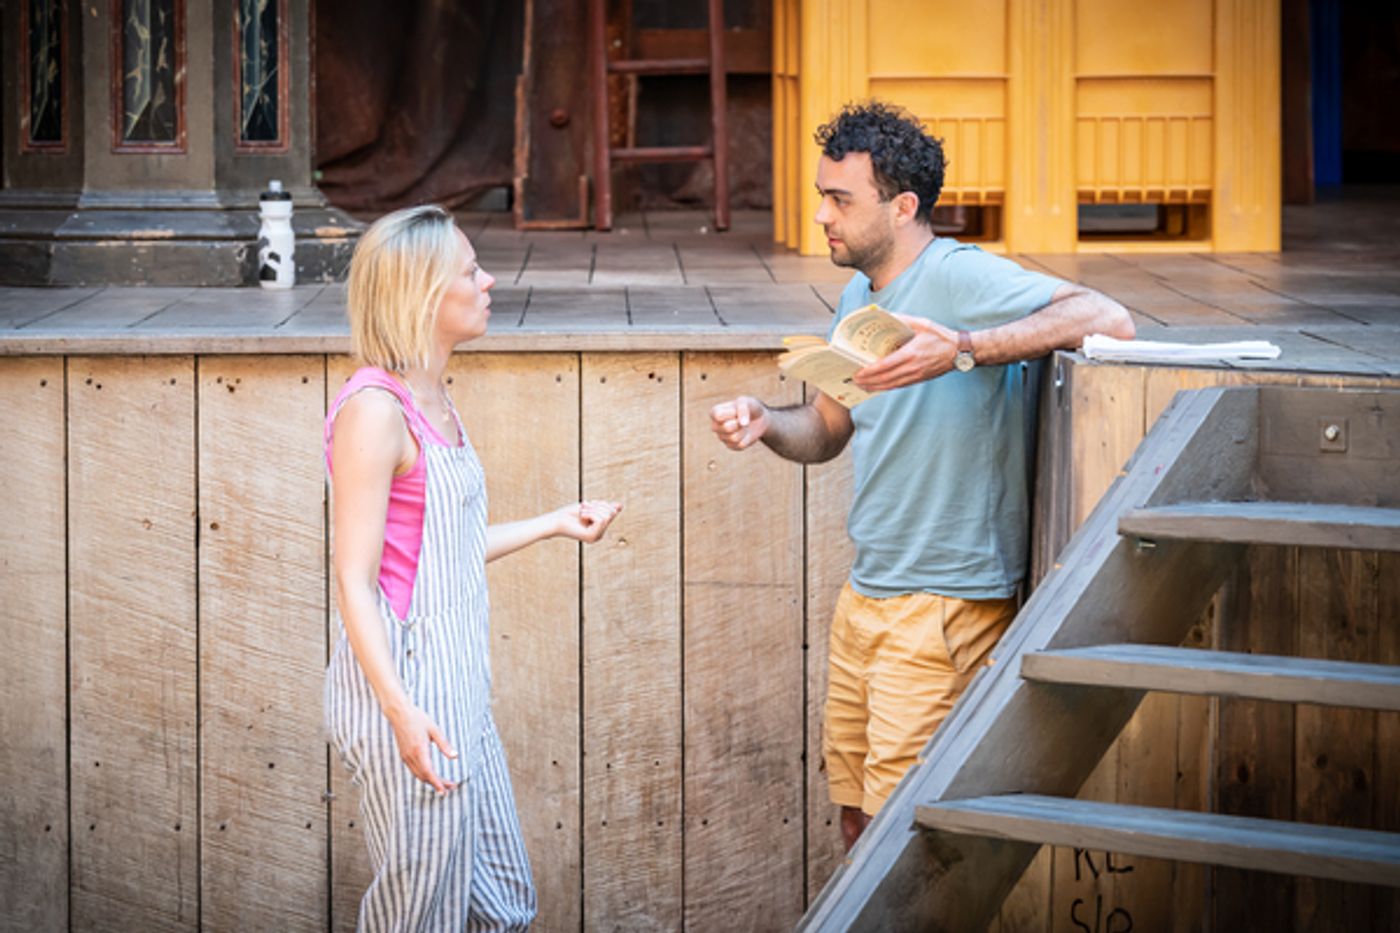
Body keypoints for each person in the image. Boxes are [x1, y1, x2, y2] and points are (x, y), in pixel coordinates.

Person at [710, 101, 1134, 850]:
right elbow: (828, 429)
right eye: (823, 195)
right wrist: (767, 422)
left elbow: (1109, 316)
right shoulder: (855, 296)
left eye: (840, 200)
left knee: (902, 837)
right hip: (866, 595)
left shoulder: (959, 276)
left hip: (945, 604)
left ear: (903, 206)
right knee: (853, 819)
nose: (821, 216)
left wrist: (964, 347)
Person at [324, 204, 621, 931]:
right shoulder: (374, 409)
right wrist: (401, 711)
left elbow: (440, 550)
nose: (489, 280)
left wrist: (554, 522)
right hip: (412, 688)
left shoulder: (436, 399)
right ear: (425, 293)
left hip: (459, 688)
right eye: (469, 271)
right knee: (417, 916)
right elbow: (355, 580)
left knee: (501, 906)